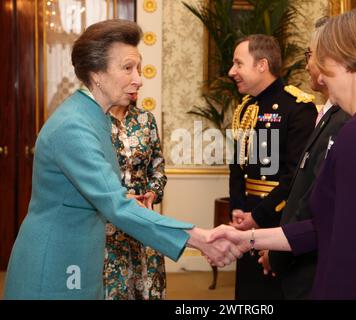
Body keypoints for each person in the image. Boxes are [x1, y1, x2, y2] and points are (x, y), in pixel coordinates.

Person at [3, 19, 241, 300]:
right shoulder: (74, 126)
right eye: (127, 68)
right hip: (55, 264)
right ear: (96, 73)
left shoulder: (93, 118)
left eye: (138, 68)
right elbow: (114, 204)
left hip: (80, 257)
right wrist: (199, 238)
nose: (138, 79)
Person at [213, 8, 356, 299]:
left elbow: (347, 252)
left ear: (344, 61)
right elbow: (326, 226)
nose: (321, 77)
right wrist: (247, 238)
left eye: (320, 60)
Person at [256, 17, 350, 299]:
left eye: (310, 55)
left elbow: (309, 196)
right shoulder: (249, 109)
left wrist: (275, 248)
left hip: (308, 257)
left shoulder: (301, 109)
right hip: (283, 239)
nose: (308, 63)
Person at [228, 34, 317, 299]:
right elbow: (238, 166)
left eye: (238, 64)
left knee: (272, 292)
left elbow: (296, 177)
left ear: (262, 65)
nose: (232, 71)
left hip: (278, 219)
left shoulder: (297, 107)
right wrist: (238, 208)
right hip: (247, 217)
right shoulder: (246, 108)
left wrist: (259, 215)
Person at [103, 97, 168, 300]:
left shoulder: (145, 119)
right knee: (115, 286)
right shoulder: (95, 120)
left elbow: (157, 165)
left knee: (147, 283)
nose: (136, 81)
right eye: (128, 70)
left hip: (143, 214)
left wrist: (152, 192)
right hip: (108, 216)